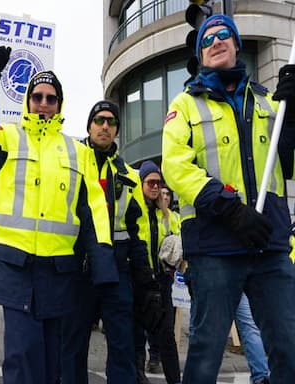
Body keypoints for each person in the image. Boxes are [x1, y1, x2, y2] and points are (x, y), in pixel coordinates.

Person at [0, 46, 114, 384]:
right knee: (21, 356)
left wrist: (102, 258)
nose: (44, 103)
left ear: (60, 104)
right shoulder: (7, 138)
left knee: (53, 362)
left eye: (51, 98)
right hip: (15, 268)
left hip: (59, 272)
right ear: (28, 101)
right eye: (38, 96)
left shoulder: (79, 151)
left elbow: (94, 210)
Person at [162, 13, 295, 384]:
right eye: (207, 39)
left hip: (269, 245)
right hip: (215, 247)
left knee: (290, 348)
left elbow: (289, 165)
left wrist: (294, 119)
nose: (216, 41)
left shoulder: (270, 103)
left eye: (224, 35)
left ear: (237, 45)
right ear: (201, 54)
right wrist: (230, 210)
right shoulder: (185, 104)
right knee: (205, 355)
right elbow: (175, 166)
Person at [61, 100, 157, 384]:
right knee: (72, 348)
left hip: (118, 273)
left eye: (111, 122)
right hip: (79, 271)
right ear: (89, 126)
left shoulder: (129, 175)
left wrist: (146, 280)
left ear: (116, 131)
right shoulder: (71, 165)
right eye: (99, 120)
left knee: (122, 348)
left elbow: (137, 230)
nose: (105, 126)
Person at [135, 161, 181, 384]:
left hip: (162, 283)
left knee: (167, 338)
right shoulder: (135, 210)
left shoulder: (169, 215)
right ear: (141, 183)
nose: (155, 187)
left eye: (158, 183)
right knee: (136, 337)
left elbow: (179, 244)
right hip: (139, 282)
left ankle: (175, 380)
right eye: (150, 182)